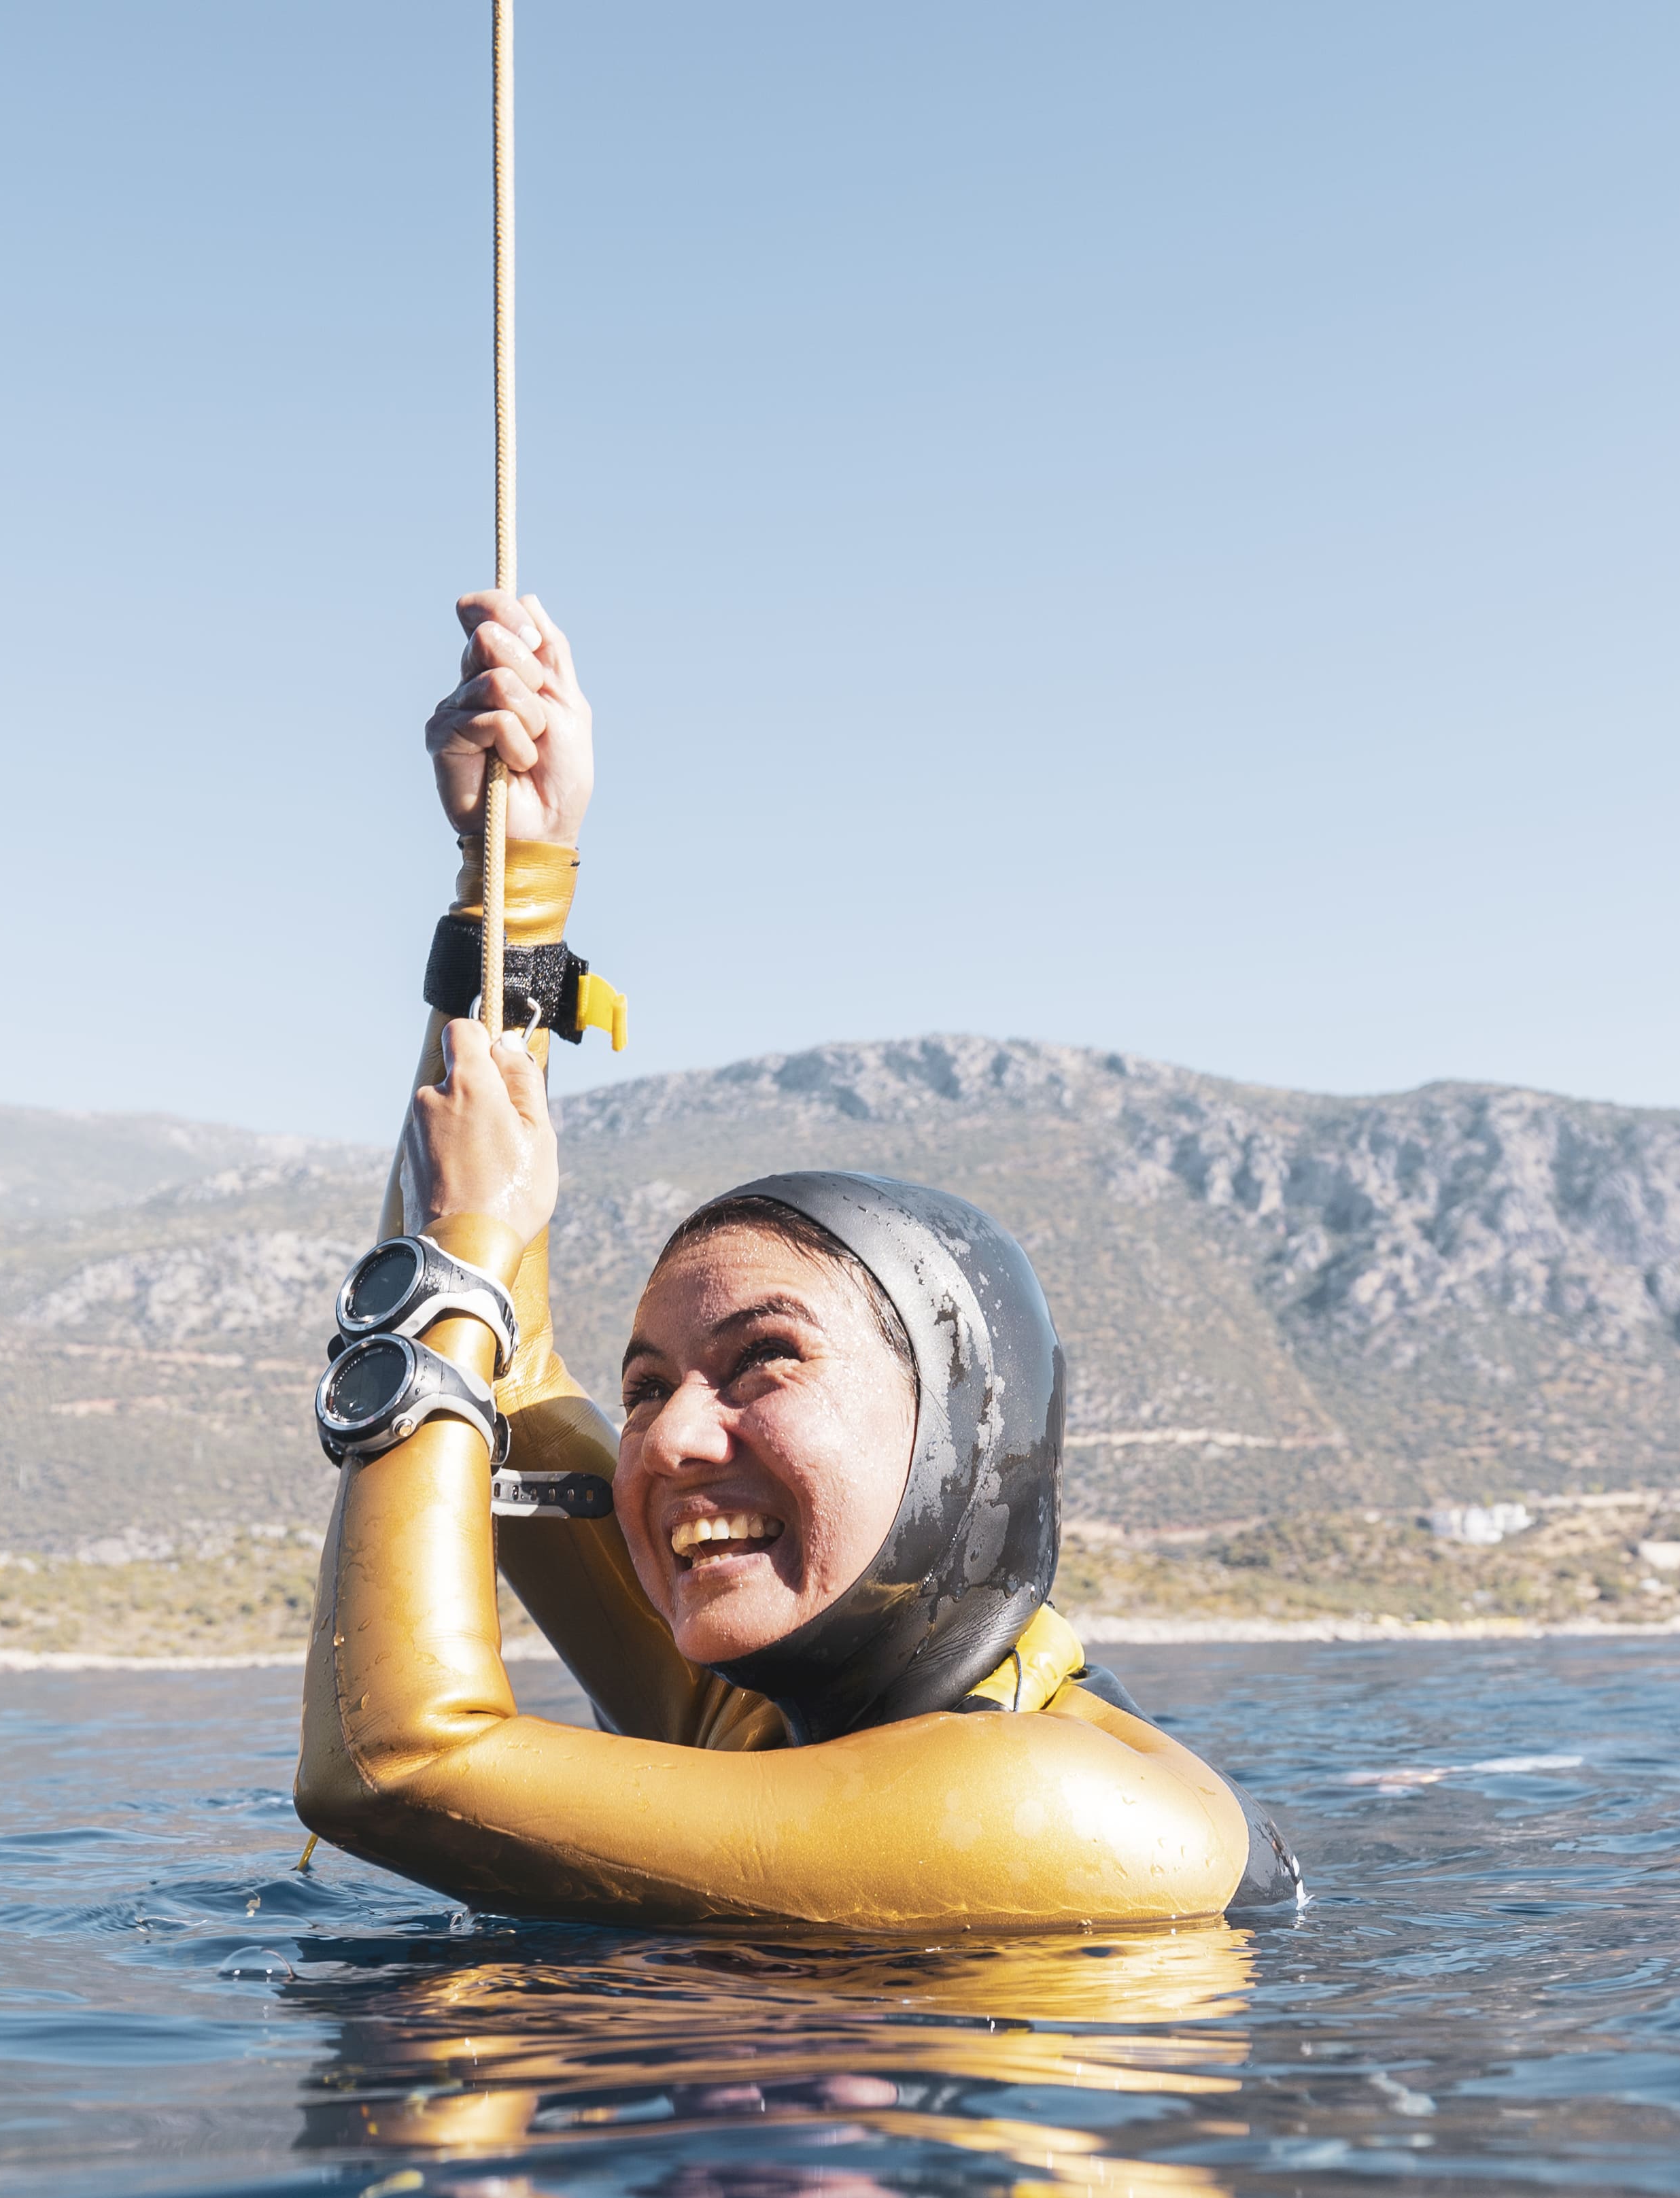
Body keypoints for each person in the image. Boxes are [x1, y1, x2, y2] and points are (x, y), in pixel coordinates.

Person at [289, 593, 1297, 1930]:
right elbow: (502, 1372)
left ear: (957, 1443)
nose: (665, 1440)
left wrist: (469, 1240)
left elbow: (396, 1767)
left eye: (763, 1362)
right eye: (646, 1388)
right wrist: (516, 881)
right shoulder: (760, 1721)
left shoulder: (1072, 1805)